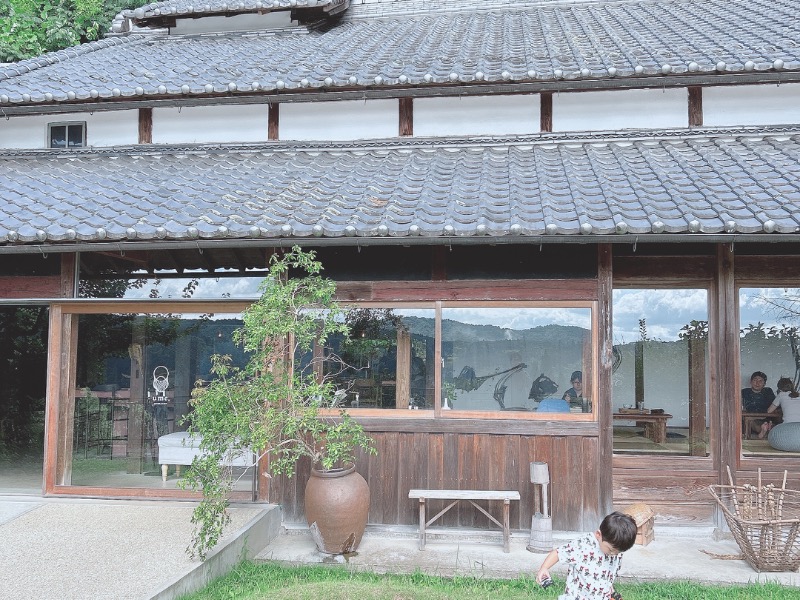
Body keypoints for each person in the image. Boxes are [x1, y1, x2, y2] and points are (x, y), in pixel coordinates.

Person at [536, 511, 637, 600]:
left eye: (618, 552)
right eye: (610, 550)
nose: (613, 554)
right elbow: (558, 553)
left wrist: (611, 592)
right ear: (598, 535)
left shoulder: (616, 553)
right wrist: (544, 568)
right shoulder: (583, 545)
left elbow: (607, 576)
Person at [741, 371, 776, 438]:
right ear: (751, 382)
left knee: (771, 425)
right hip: (750, 419)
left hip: (766, 418)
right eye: (755, 380)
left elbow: (774, 408)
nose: (757, 383)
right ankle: (763, 432)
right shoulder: (744, 392)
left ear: (764, 384)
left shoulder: (768, 392)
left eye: (760, 381)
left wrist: (762, 416)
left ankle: (764, 432)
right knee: (750, 421)